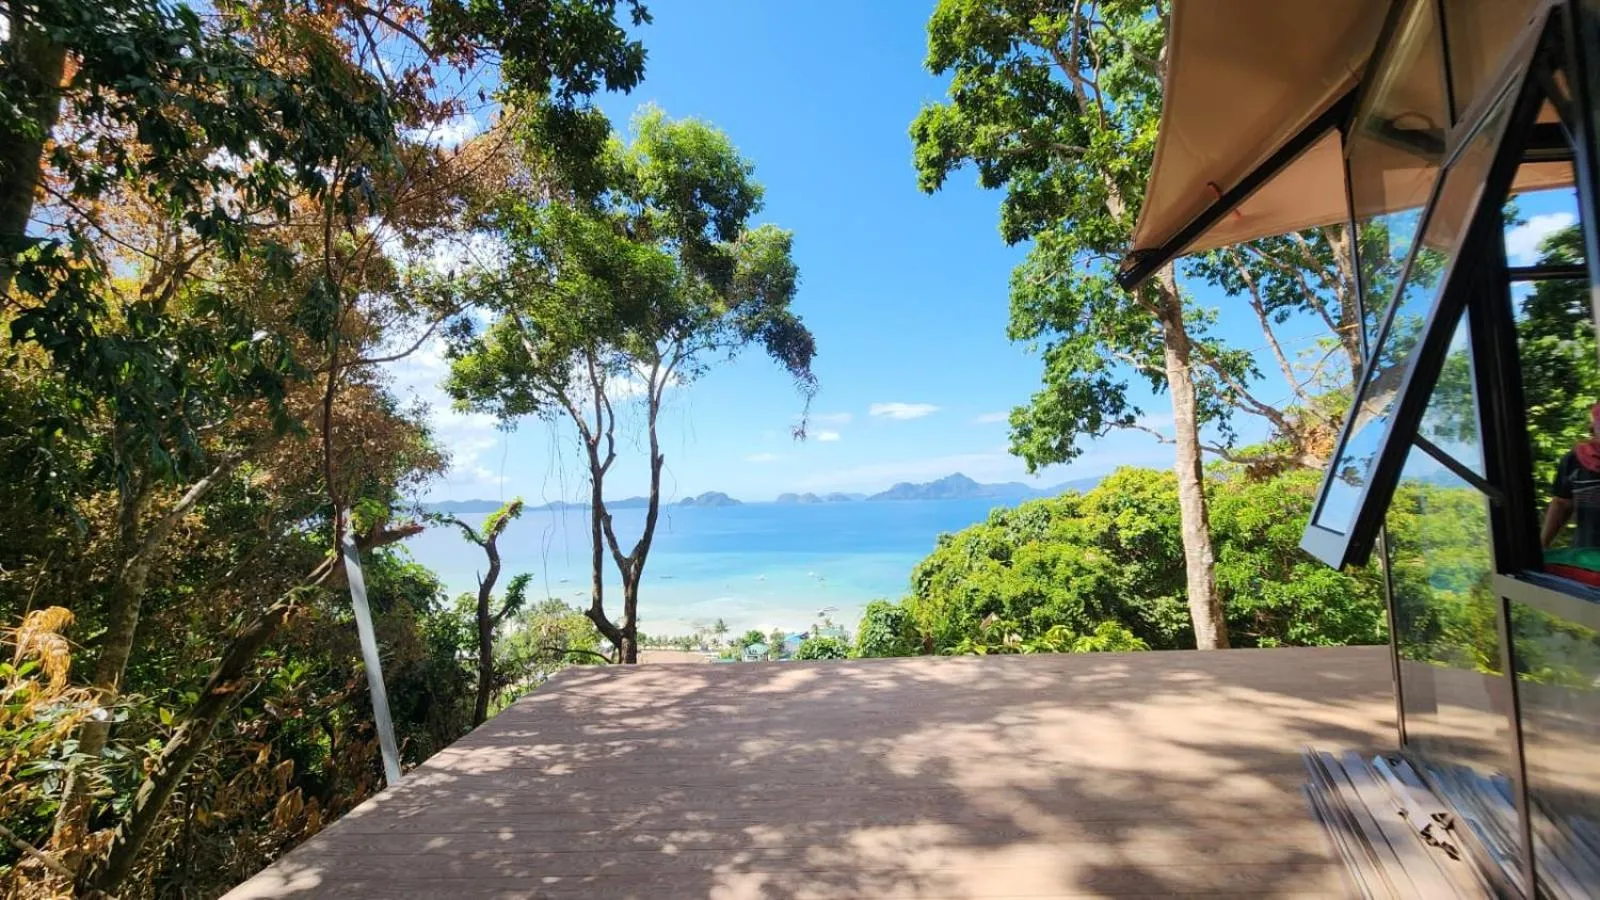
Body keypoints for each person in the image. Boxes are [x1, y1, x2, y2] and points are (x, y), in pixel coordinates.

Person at [1542, 403, 1600, 549]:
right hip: (1588, 558)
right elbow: (1561, 504)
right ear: (1593, 427)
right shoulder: (1574, 460)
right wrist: (1542, 545)